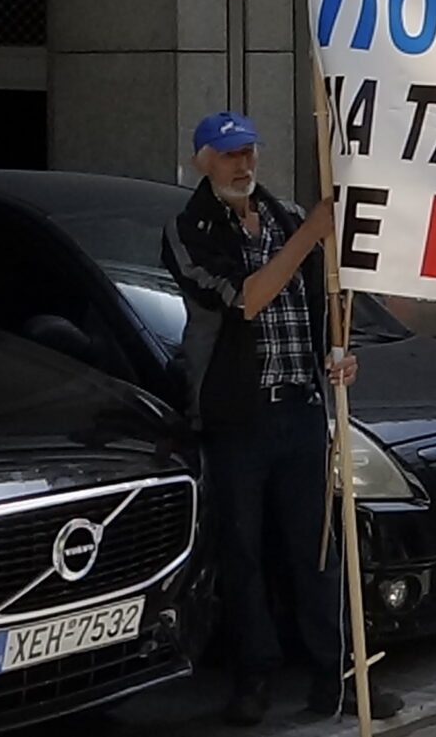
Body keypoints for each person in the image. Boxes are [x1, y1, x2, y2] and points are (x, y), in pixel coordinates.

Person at [161, 112, 401, 727]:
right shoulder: (189, 228)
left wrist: (340, 354)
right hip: (237, 418)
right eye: (228, 154)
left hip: (300, 408)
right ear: (202, 161)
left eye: (248, 152)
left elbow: (322, 300)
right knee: (243, 555)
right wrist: (310, 235)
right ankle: (255, 677)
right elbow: (244, 299)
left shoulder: (285, 216)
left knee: (317, 549)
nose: (242, 164)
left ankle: (337, 675)